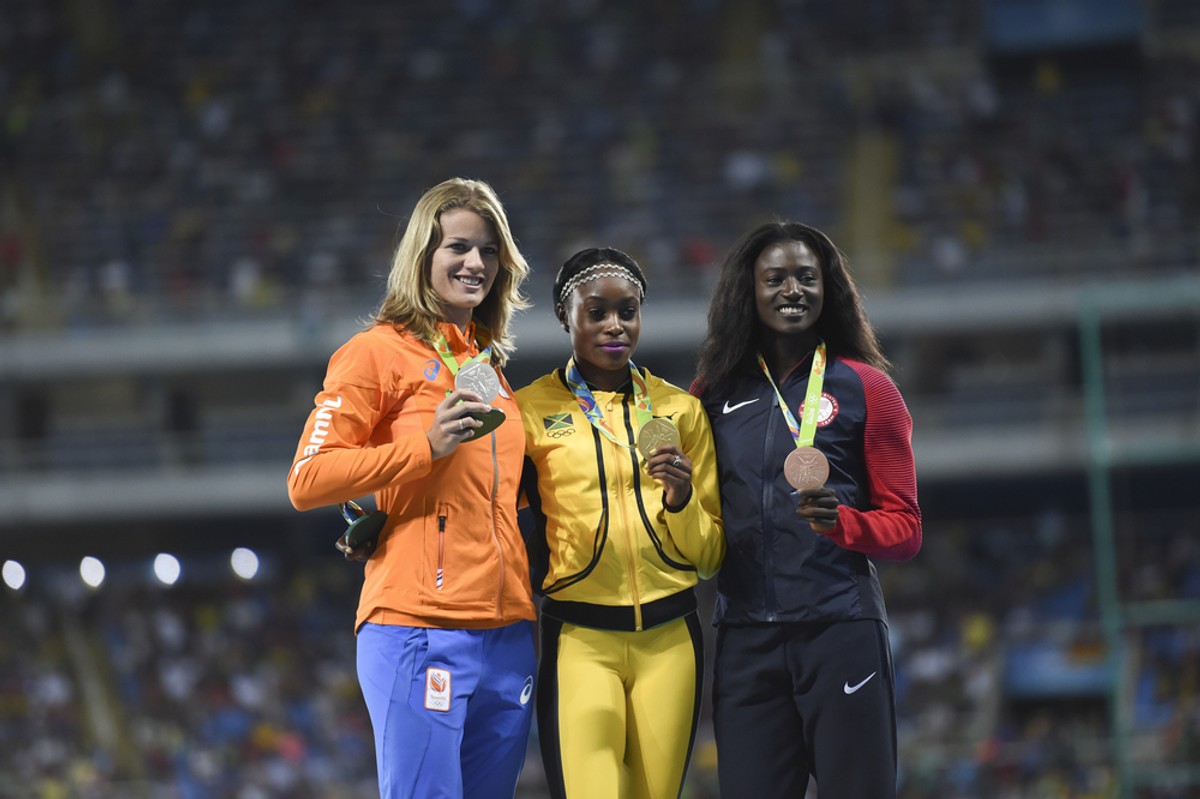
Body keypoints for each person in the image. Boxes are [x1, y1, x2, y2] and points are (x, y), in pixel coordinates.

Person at [286, 177, 537, 799]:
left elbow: (495, 495)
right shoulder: (375, 354)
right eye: (458, 247)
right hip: (419, 627)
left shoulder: (488, 368)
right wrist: (424, 448)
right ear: (422, 254)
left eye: (488, 251)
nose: (475, 263)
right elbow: (307, 479)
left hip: (508, 632)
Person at [692, 221, 922, 798]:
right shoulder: (711, 394)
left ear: (828, 288)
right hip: (745, 638)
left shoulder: (869, 388)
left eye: (806, 277)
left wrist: (845, 523)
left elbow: (906, 529)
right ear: (749, 291)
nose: (792, 289)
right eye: (775, 278)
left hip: (839, 629)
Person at [517, 247, 725, 799]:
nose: (615, 325)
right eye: (597, 312)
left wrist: (681, 500)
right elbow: (484, 506)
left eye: (627, 312)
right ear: (565, 316)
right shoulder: (527, 411)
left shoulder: (680, 410)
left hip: (672, 638)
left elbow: (710, 556)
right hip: (579, 638)